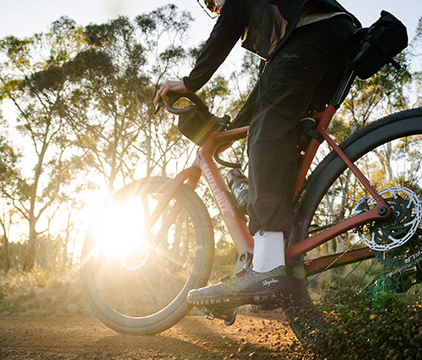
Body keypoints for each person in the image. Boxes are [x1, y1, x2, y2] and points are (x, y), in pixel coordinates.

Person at [152, 0, 356, 308]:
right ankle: (276, 258)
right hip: (330, 38)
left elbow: (230, 19)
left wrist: (191, 82)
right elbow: (264, 91)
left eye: (211, 0)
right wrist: (233, 130)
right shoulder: (283, 34)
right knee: (276, 130)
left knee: (267, 135)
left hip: (317, 32)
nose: (214, 7)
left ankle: (267, 268)